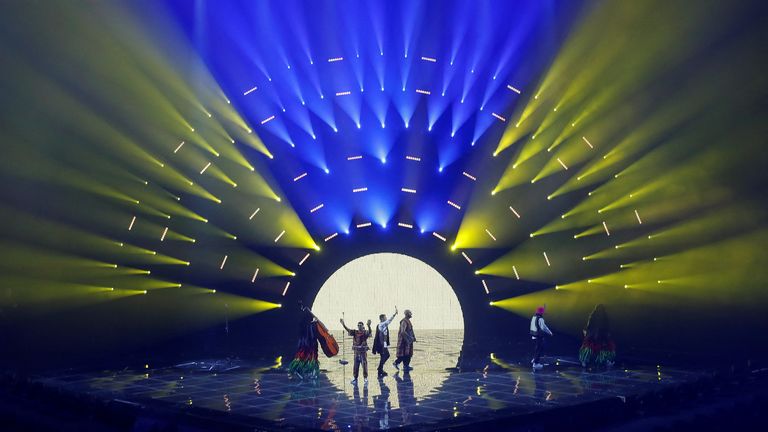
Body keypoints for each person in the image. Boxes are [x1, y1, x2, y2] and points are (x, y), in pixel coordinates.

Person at [288, 305, 320, 379]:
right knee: (312, 359)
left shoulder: (301, 324)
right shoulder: (313, 325)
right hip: (311, 345)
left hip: (303, 345)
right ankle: (312, 373)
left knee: (301, 358)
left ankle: (297, 371)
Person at [341, 318, 372, 385]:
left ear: (363, 326)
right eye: (358, 325)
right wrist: (343, 324)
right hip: (356, 352)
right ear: (357, 326)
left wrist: (369, 325)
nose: (359, 326)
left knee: (364, 365)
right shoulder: (355, 332)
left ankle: (365, 379)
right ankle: (355, 379)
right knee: (355, 366)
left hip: (363, 353)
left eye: (361, 325)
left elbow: (370, 332)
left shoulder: (365, 332)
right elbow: (348, 329)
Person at [372, 307, 398, 377]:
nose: (386, 318)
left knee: (384, 356)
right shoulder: (382, 324)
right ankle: (380, 369)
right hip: (382, 344)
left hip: (384, 343)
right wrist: (395, 314)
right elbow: (389, 321)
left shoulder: (382, 325)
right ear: (382, 319)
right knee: (386, 356)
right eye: (385, 317)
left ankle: (380, 369)